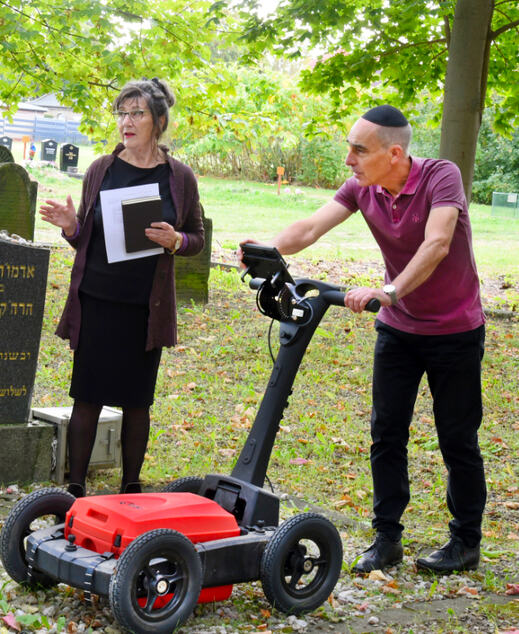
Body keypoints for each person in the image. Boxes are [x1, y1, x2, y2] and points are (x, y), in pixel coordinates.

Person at [240, 105, 486, 575]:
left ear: (394, 154)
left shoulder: (441, 178)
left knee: (457, 438)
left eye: (358, 150)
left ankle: (465, 542)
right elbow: (311, 227)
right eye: (349, 148)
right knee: (385, 433)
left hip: (455, 330)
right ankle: (387, 538)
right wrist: (266, 250)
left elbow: (436, 244)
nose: (349, 160)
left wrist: (388, 291)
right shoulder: (362, 188)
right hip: (400, 330)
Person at [39, 78, 205, 497]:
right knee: (87, 395)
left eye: (137, 114)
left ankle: (131, 486)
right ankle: (75, 486)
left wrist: (177, 241)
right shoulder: (102, 168)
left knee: (137, 401)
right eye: (121, 113)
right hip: (97, 298)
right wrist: (71, 226)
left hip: (144, 307)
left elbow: (197, 238)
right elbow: (86, 236)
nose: (126, 122)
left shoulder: (180, 178)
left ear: (159, 121)